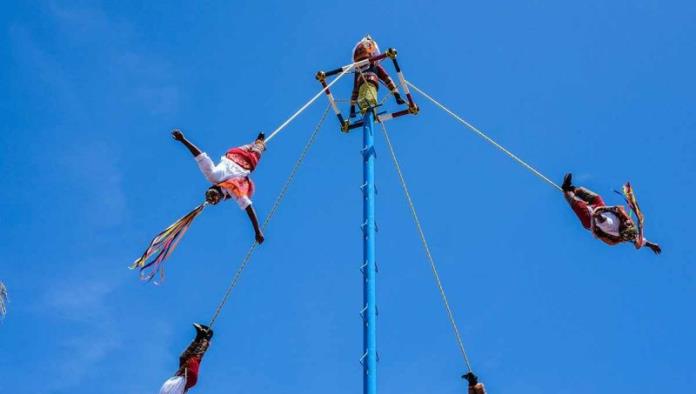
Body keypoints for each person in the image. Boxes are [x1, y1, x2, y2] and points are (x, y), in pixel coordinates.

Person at [172, 129, 265, 244]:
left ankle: (257, 142)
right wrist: (257, 230)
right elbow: (248, 206)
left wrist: (183, 140)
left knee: (253, 146)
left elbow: (200, 156)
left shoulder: (213, 176)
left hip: (236, 154)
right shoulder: (232, 189)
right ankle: (259, 142)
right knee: (258, 148)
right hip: (245, 160)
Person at [562, 173, 661, 254]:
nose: (628, 222)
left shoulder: (610, 225)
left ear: (623, 229)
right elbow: (639, 241)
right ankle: (574, 189)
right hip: (601, 207)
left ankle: (566, 190)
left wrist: (598, 214)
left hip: (591, 219)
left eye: (627, 224)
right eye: (629, 223)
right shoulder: (630, 229)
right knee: (596, 197)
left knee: (576, 202)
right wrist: (651, 244)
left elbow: (601, 219)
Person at [349, 35, 405, 117]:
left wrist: (352, 107)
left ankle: (354, 109)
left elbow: (355, 89)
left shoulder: (359, 69)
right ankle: (397, 96)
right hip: (369, 76)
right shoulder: (374, 64)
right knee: (386, 79)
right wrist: (397, 95)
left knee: (358, 91)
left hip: (364, 74)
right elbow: (387, 79)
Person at [160, 323, 214, 394]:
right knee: (194, 358)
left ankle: (199, 337)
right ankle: (207, 337)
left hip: (180, 377)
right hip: (189, 378)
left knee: (183, 358)